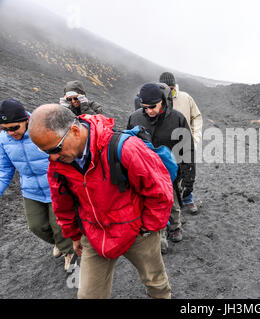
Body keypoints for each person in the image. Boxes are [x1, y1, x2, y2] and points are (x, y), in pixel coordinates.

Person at [28, 104, 173, 299]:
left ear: (74, 131)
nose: (52, 157)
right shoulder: (59, 164)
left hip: (137, 231)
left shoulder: (126, 147)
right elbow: (62, 203)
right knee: (88, 295)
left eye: (55, 148)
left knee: (156, 283)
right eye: (46, 152)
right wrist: (74, 235)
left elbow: (160, 190)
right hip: (94, 234)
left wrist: (148, 228)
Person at [0, 99, 75, 271]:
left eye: (14, 127)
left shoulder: (43, 129)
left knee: (59, 225)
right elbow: (4, 170)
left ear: (26, 120)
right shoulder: (3, 140)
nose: (10, 133)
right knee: (36, 226)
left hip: (55, 186)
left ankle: (69, 252)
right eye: (5, 129)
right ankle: (60, 243)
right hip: (30, 190)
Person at [127, 83, 195, 253]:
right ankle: (160, 233)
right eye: (145, 107)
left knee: (171, 200)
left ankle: (175, 226)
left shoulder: (177, 118)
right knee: (150, 204)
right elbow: (128, 144)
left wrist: (189, 178)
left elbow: (187, 148)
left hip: (170, 170)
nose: (149, 111)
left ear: (163, 101)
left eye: (153, 107)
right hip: (145, 170)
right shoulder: (135, 118)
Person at [159, 72, 202, 215]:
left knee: (187, 172)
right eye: (166, 88)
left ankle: (188, 199)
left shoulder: (185, 98)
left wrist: (194, 138)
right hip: (165, 145)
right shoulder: (158, 101)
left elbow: (196, 117)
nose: (169, 91)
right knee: (168, 174)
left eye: (171, 88)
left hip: (184, 143)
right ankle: (171, 203)